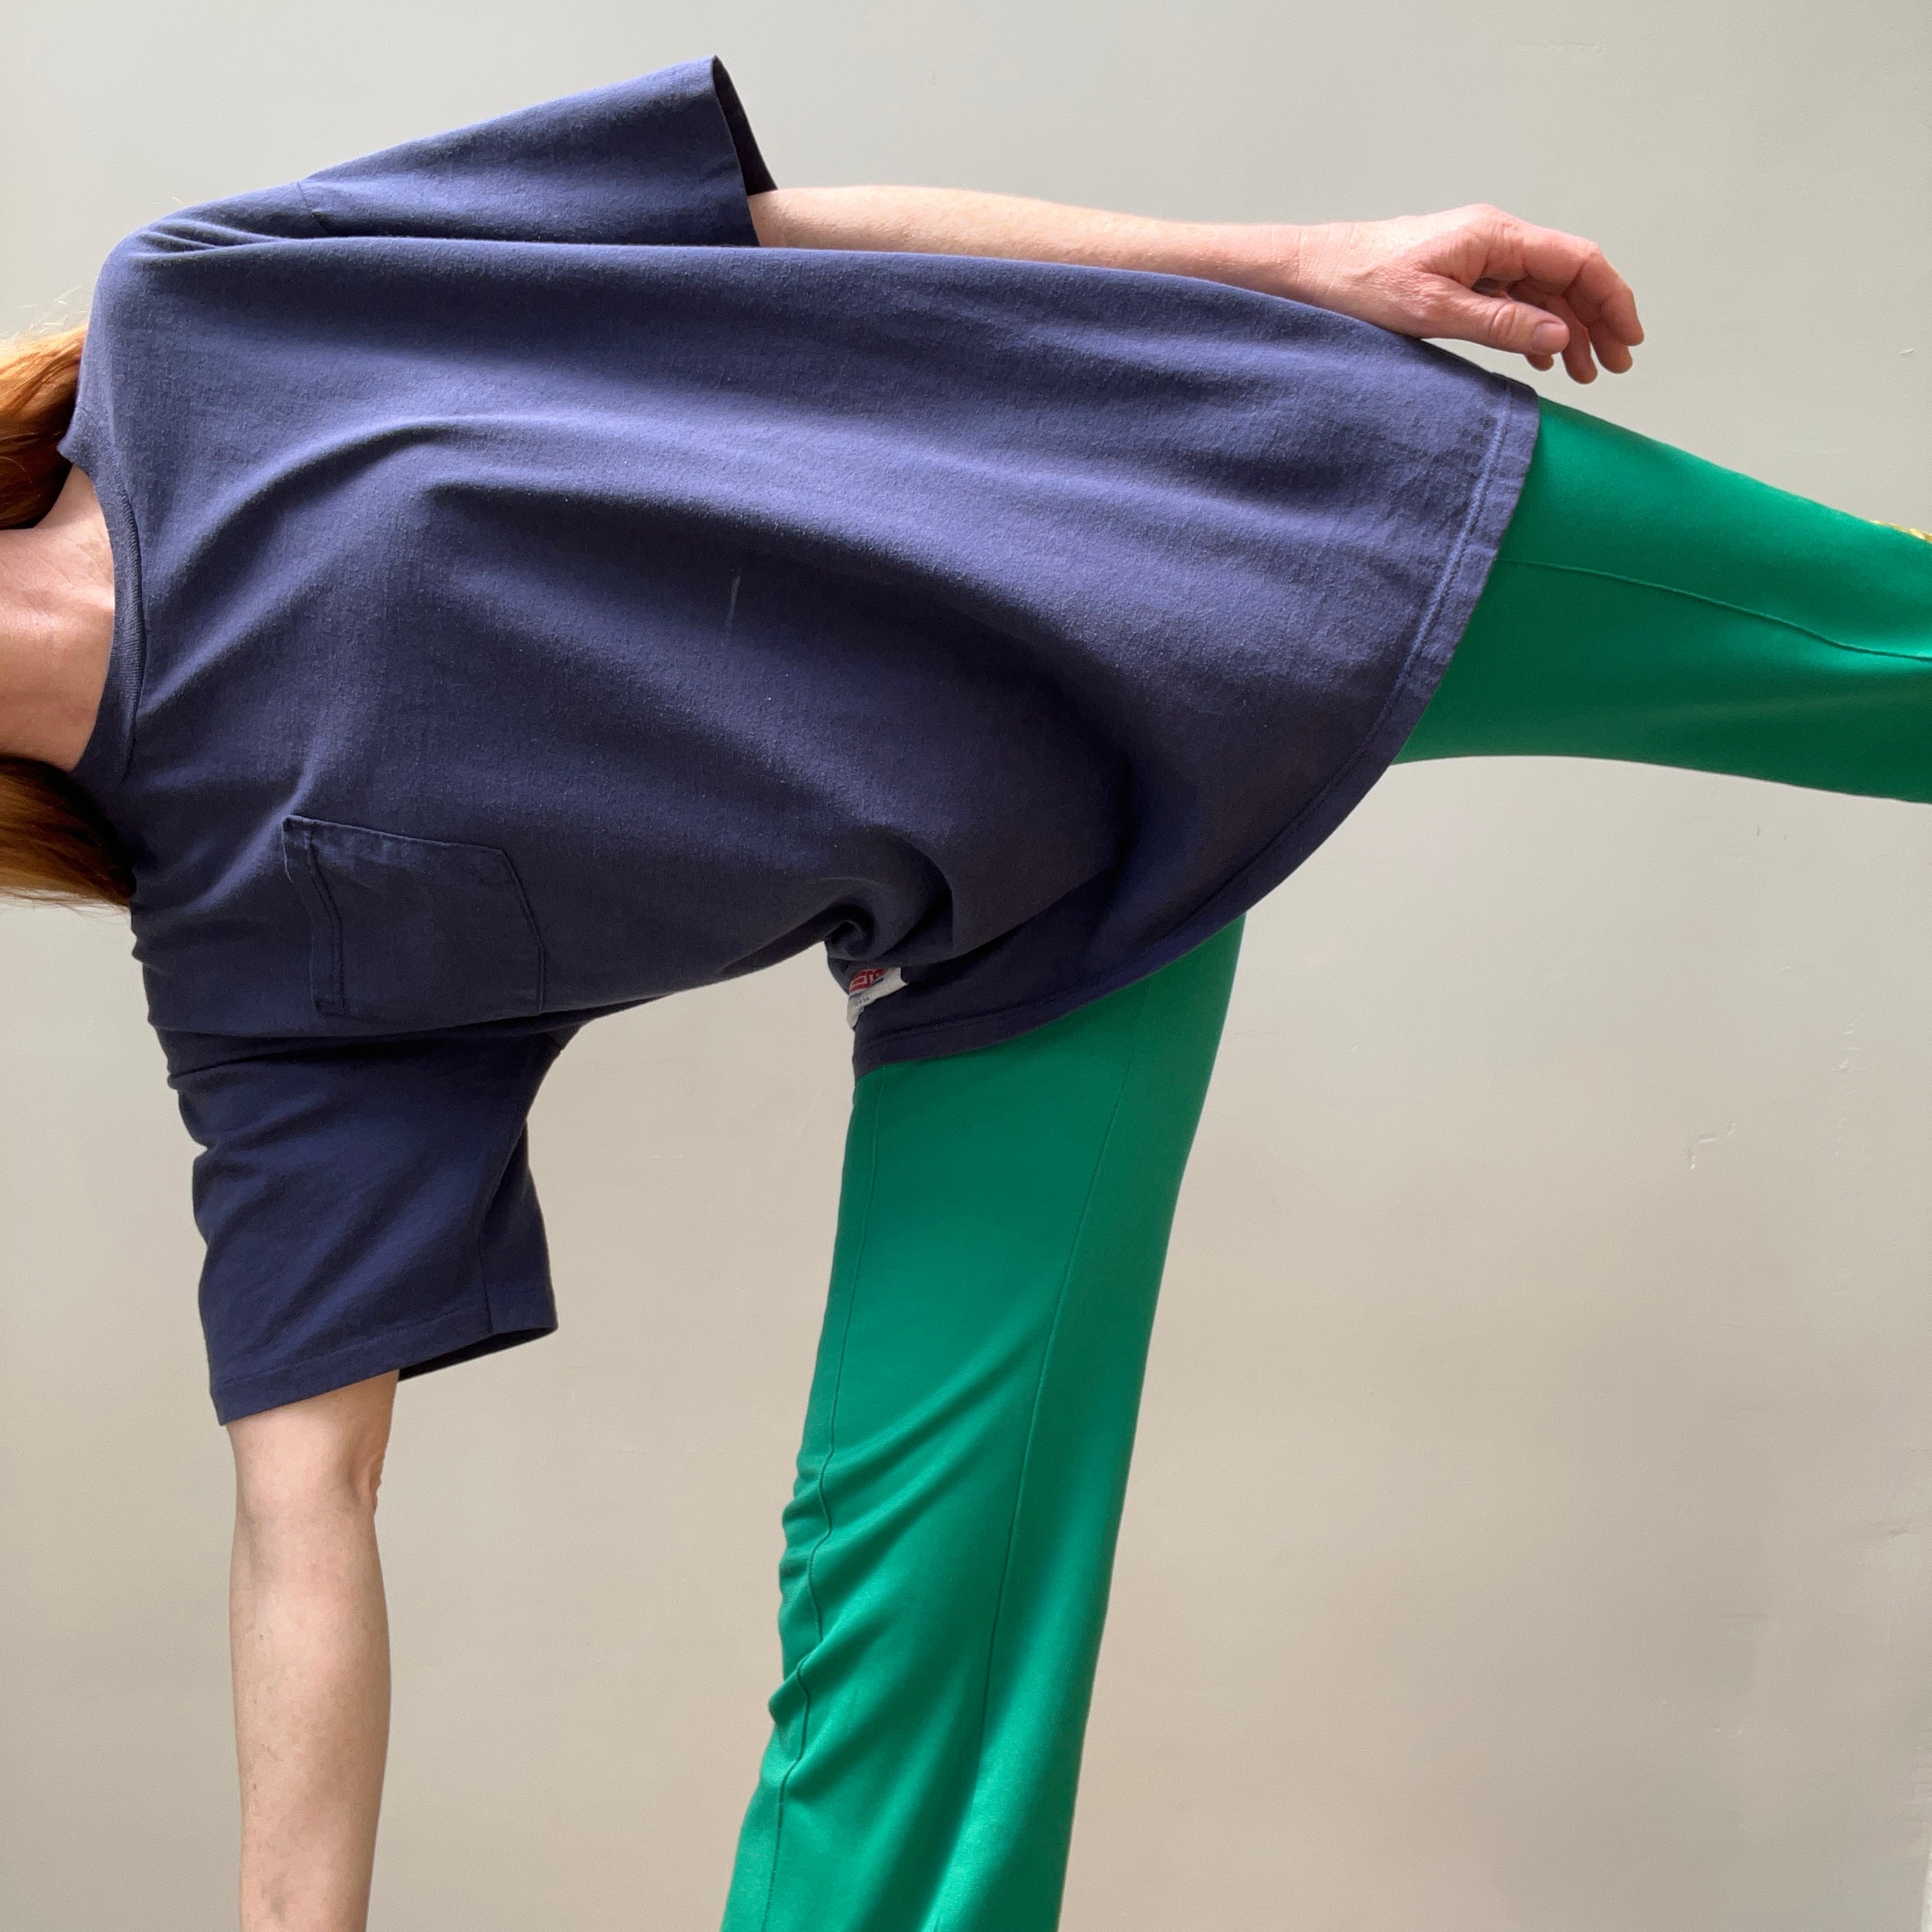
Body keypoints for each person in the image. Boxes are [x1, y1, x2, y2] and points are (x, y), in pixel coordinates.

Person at [0, 50, 1924, 1932]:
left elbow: (765, 233)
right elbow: (301, 1508)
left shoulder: (200, 321)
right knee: (904, 1637)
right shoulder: (258, 956)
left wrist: (1309, 261)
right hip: (1046, 925)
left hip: (1221, 501)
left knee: (1886, 654)